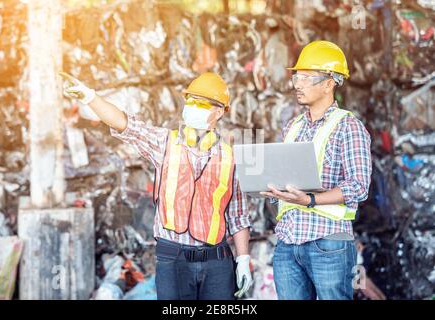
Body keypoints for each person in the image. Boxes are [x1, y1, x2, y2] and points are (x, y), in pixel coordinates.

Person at [61, 72, 253, 300]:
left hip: (217, 262)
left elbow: (238, 216)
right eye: (190, 101)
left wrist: (242, 259)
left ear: (219, 112)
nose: (192, 107)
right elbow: (124, 124)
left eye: (200, 103)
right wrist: (89, 96)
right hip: (173, 259)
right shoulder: (165, 143)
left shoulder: (230, 156)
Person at [261, 40, 372, 300]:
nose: (297, 84)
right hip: (288, 242)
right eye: (296, 77)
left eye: (306, 77)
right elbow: (288, 176)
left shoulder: (349, 127)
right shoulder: (292, 127)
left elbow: (359, 186)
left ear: (329, 82)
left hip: (328, 242)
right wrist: (272, 188)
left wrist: (310, 199)